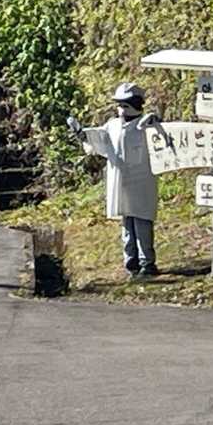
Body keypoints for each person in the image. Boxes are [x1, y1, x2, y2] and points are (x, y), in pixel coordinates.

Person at [67, 82, 164, 280]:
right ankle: (131, 262)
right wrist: (82, 134)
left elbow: (163, 138)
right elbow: (98, 137)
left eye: (125, 105)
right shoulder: (113, 125)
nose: (121, 109)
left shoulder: (146, 124)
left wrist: (156, 122)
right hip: (122, 182)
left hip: (142, 182)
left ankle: (147, 262)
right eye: (119, 105)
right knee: (127, 223)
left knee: (143, 222)